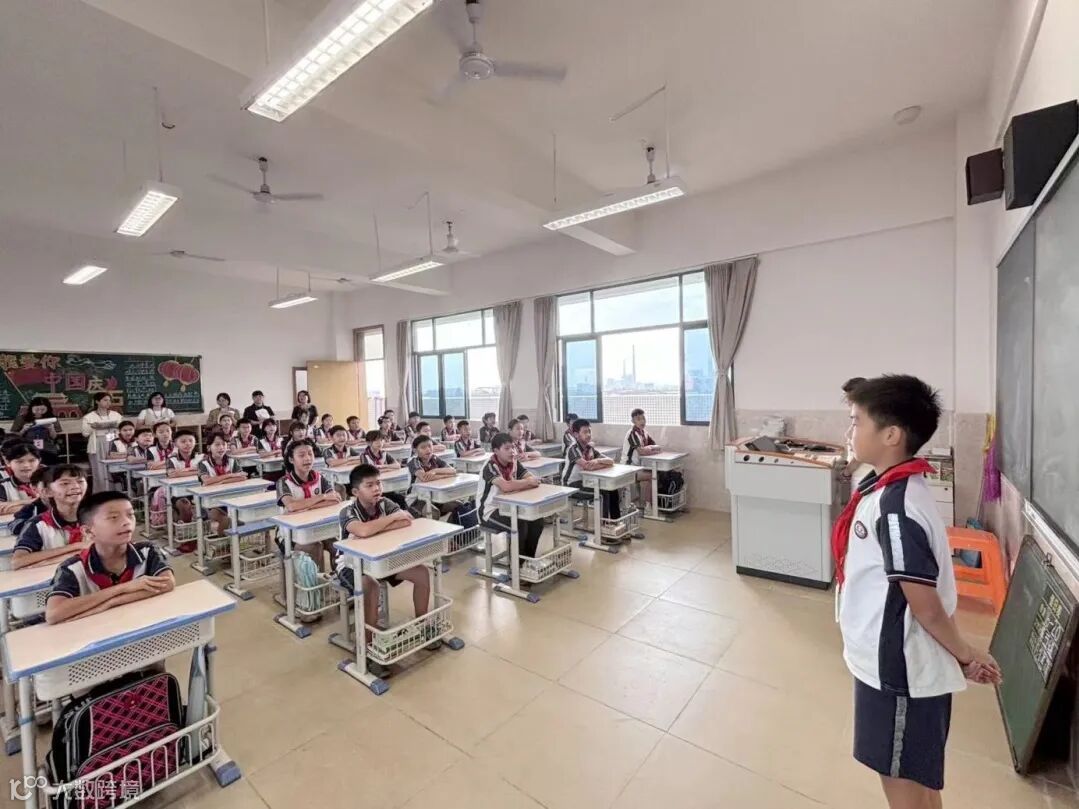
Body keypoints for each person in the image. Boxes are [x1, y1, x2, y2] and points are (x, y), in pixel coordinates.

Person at [836, 375, 1001, 808]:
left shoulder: (896, 508)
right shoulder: (894, 488)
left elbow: (924, 606)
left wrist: (966, 654)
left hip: (898, 672)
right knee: (916, 777)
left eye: (856, 421)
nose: (849, 431)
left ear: (891, 435)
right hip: (900, 664)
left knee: (901, 781)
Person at [337, 464, 433, 655]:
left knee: (422, 572)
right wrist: (391, 519)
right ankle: (367, 647)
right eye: (369, 485)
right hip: (351, 564)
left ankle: (423, 624)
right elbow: (362, 530)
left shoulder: (384, 503)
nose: (376, 488)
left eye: (378, 483)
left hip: (381, 559)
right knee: (370, 585)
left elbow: (406, 520)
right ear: (355, 492)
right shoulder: (348, 512)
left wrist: (376, 528)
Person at [45, 491, 173, 625]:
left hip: (139, 624)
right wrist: (123, 588)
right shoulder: (72, 568)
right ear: (88, 531)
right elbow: (54, 613)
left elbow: (167, 583)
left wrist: (112, 602)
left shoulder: (147, 550)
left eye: (130, 515)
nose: (127, 522)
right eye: (113, 517)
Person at [276, 438, 341, 570]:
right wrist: (322, 497)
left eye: (310, 454)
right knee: (314, 547)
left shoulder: (319, 477)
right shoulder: (283, 482)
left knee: (339, 547)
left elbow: (335, 500)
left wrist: (304, 507)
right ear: (291, 459)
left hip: (318, 526)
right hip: (290, 533)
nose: (307, 458)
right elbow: (291, 506)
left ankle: (337, 578)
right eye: (301, 455)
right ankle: (315, 582)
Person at [478, 433, 544, 557]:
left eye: (513, 447)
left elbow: (530, 477)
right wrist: (525, 483)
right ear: (496, 451)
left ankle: (528, 558)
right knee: (519, 524)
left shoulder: (513, 462)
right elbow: (506, 487)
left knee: (537, 520)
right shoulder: (490, 466)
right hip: (489, 511)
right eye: (507, 448)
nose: (512, 451)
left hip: (509, 506)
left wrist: (522, 483)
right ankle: (517, 564)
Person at [12, 464, 88, 570]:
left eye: (80, 481)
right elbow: (17, 561)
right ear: (47, 492)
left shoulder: (98, 517)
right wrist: (76, 546)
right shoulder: (37, 524)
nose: (75, 486)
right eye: (65, 483)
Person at [562, 418, 620, 535]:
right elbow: (587, 466)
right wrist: (597, 464)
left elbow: (610, 461)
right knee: (603, 494)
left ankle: (615, 523)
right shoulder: (573, 449)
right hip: (572, 485)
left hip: (586, 482)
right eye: (585, 432)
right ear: (576, 434)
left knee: (612, 489)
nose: (588, 434)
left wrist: (597, 461)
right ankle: (603, 528)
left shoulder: (589, 448)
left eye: (589, 431)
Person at [197, 433, 248, 535]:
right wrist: (230, 475)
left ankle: (233, 541)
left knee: (241, 519)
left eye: (224, 444)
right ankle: (221, 541)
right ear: (209, 447)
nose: (221, 447)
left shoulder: (232, 460)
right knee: (226, 519)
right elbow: (207, 481)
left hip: (231, 498)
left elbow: (242, 477)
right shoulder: (203, 463)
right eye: (217, 444)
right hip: (211, 501)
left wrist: (220, 482)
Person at [82, 392, 121, 493]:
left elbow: (121, 429)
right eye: (105, 400)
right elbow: (85, 433)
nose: (108, 402)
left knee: (114, 468)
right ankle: (100, 493)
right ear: (97, 402)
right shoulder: (89, 416)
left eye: (109, 400)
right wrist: (94, 427)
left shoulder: (115, 415)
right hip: (98, 443)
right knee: (99, 470)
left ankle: (116, 492)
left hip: (112, 441)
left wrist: (114, 426)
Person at [622, 408, 662, 507]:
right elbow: (642, 452)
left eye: (643, 418)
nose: (642, 421)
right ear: (633, 421)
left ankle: (648, 505)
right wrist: (650, 449)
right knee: (653, 476)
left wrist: (650, 448)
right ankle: (649, 507)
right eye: (638, 419)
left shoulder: (644, 433)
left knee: (658, 473)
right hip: (628, 468)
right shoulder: (632, 434)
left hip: (637, 467)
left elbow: (657, 446)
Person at [13, 396, 61, 465]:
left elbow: (54, 437)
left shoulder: (52, 418)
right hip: (27, 448)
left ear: (47, 409)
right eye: (36, 409)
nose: (39, 412)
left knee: (49, 464)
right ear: (31, 408)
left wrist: (51, 429)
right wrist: (23, 430)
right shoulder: (22, 417)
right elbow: (14, 437)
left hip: (47, 448)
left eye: (43, 409)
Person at [0, 442, 42, 516]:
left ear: (39, 461)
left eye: (32, 460)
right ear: (8, 463)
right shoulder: (3, 485)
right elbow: (1, 509)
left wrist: (13, 504)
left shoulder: (50, 481)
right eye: (19, 461)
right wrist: (36, 503)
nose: (26, 465)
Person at [10, 466, 49, 536]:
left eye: (65, 484)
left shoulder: (69, 506)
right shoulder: (32, 508)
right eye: (47, 485)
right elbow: (14, 526)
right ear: (34, 488)